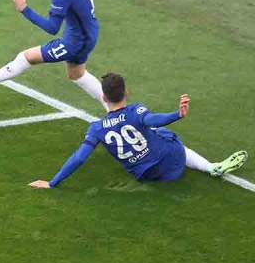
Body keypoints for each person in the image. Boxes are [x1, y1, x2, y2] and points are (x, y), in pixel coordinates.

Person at [30, 73, 247, 188]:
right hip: (173, 164)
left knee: (153, 133)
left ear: (104, 97)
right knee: (163, 134)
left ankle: (206, 166)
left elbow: (79, 158)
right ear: (126, 92)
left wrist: (52, 182)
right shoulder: (136, 110)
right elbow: (154, 120)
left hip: (148, 176)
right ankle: (211, 167)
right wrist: (177, 115)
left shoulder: (96, 128)